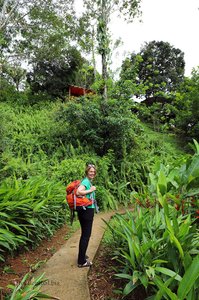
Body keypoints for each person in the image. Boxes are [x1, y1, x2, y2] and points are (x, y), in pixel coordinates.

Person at [76, 164, 97, 268]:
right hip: (87, 211)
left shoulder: (87, 181)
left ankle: (82, 255)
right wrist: (91, 190)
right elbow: (78, 191)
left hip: (85, 210)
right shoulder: (85, 182)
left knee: (84, 234)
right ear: (87, 172)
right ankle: (81, 261)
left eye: (93, 172)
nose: (92, 173)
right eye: (90, 171)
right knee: (86, 235)